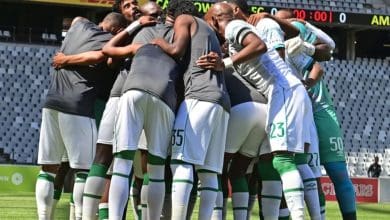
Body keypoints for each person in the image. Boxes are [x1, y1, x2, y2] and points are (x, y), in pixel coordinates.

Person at [197, 3, 317, 219]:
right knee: (278, 162)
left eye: (209, 25)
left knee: (283, 161)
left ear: (215, 20)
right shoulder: (235, 36)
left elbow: (258, 45)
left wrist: (224, 63)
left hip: (284, 91)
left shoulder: (233, 25)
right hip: (282, 94)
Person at [35, 12, 127, 220]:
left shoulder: (78, 27)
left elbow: (76, 18)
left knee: (48, 169)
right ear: (117, 30)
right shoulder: (108, 40)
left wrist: (65, 58)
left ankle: (43, 217)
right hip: (77, 106)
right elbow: (100, 55)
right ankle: (79, 217)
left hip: (51, 103)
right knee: (84, 170)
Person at [275, 9, 357, 220]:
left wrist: (307, 84)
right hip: (298, 115)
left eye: (288, 22)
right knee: (302, 173)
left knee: (337, 173)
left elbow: (322, 59)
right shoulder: (276, 47)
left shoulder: (299, 48)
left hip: (320, 111)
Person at [152, 1, 231, 219]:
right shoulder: (211, 34)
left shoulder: (184, 19)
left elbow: (176, 50)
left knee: (181, 161)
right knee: (208, 172)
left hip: (199, 97)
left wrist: (159, 42)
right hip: (221, 103)